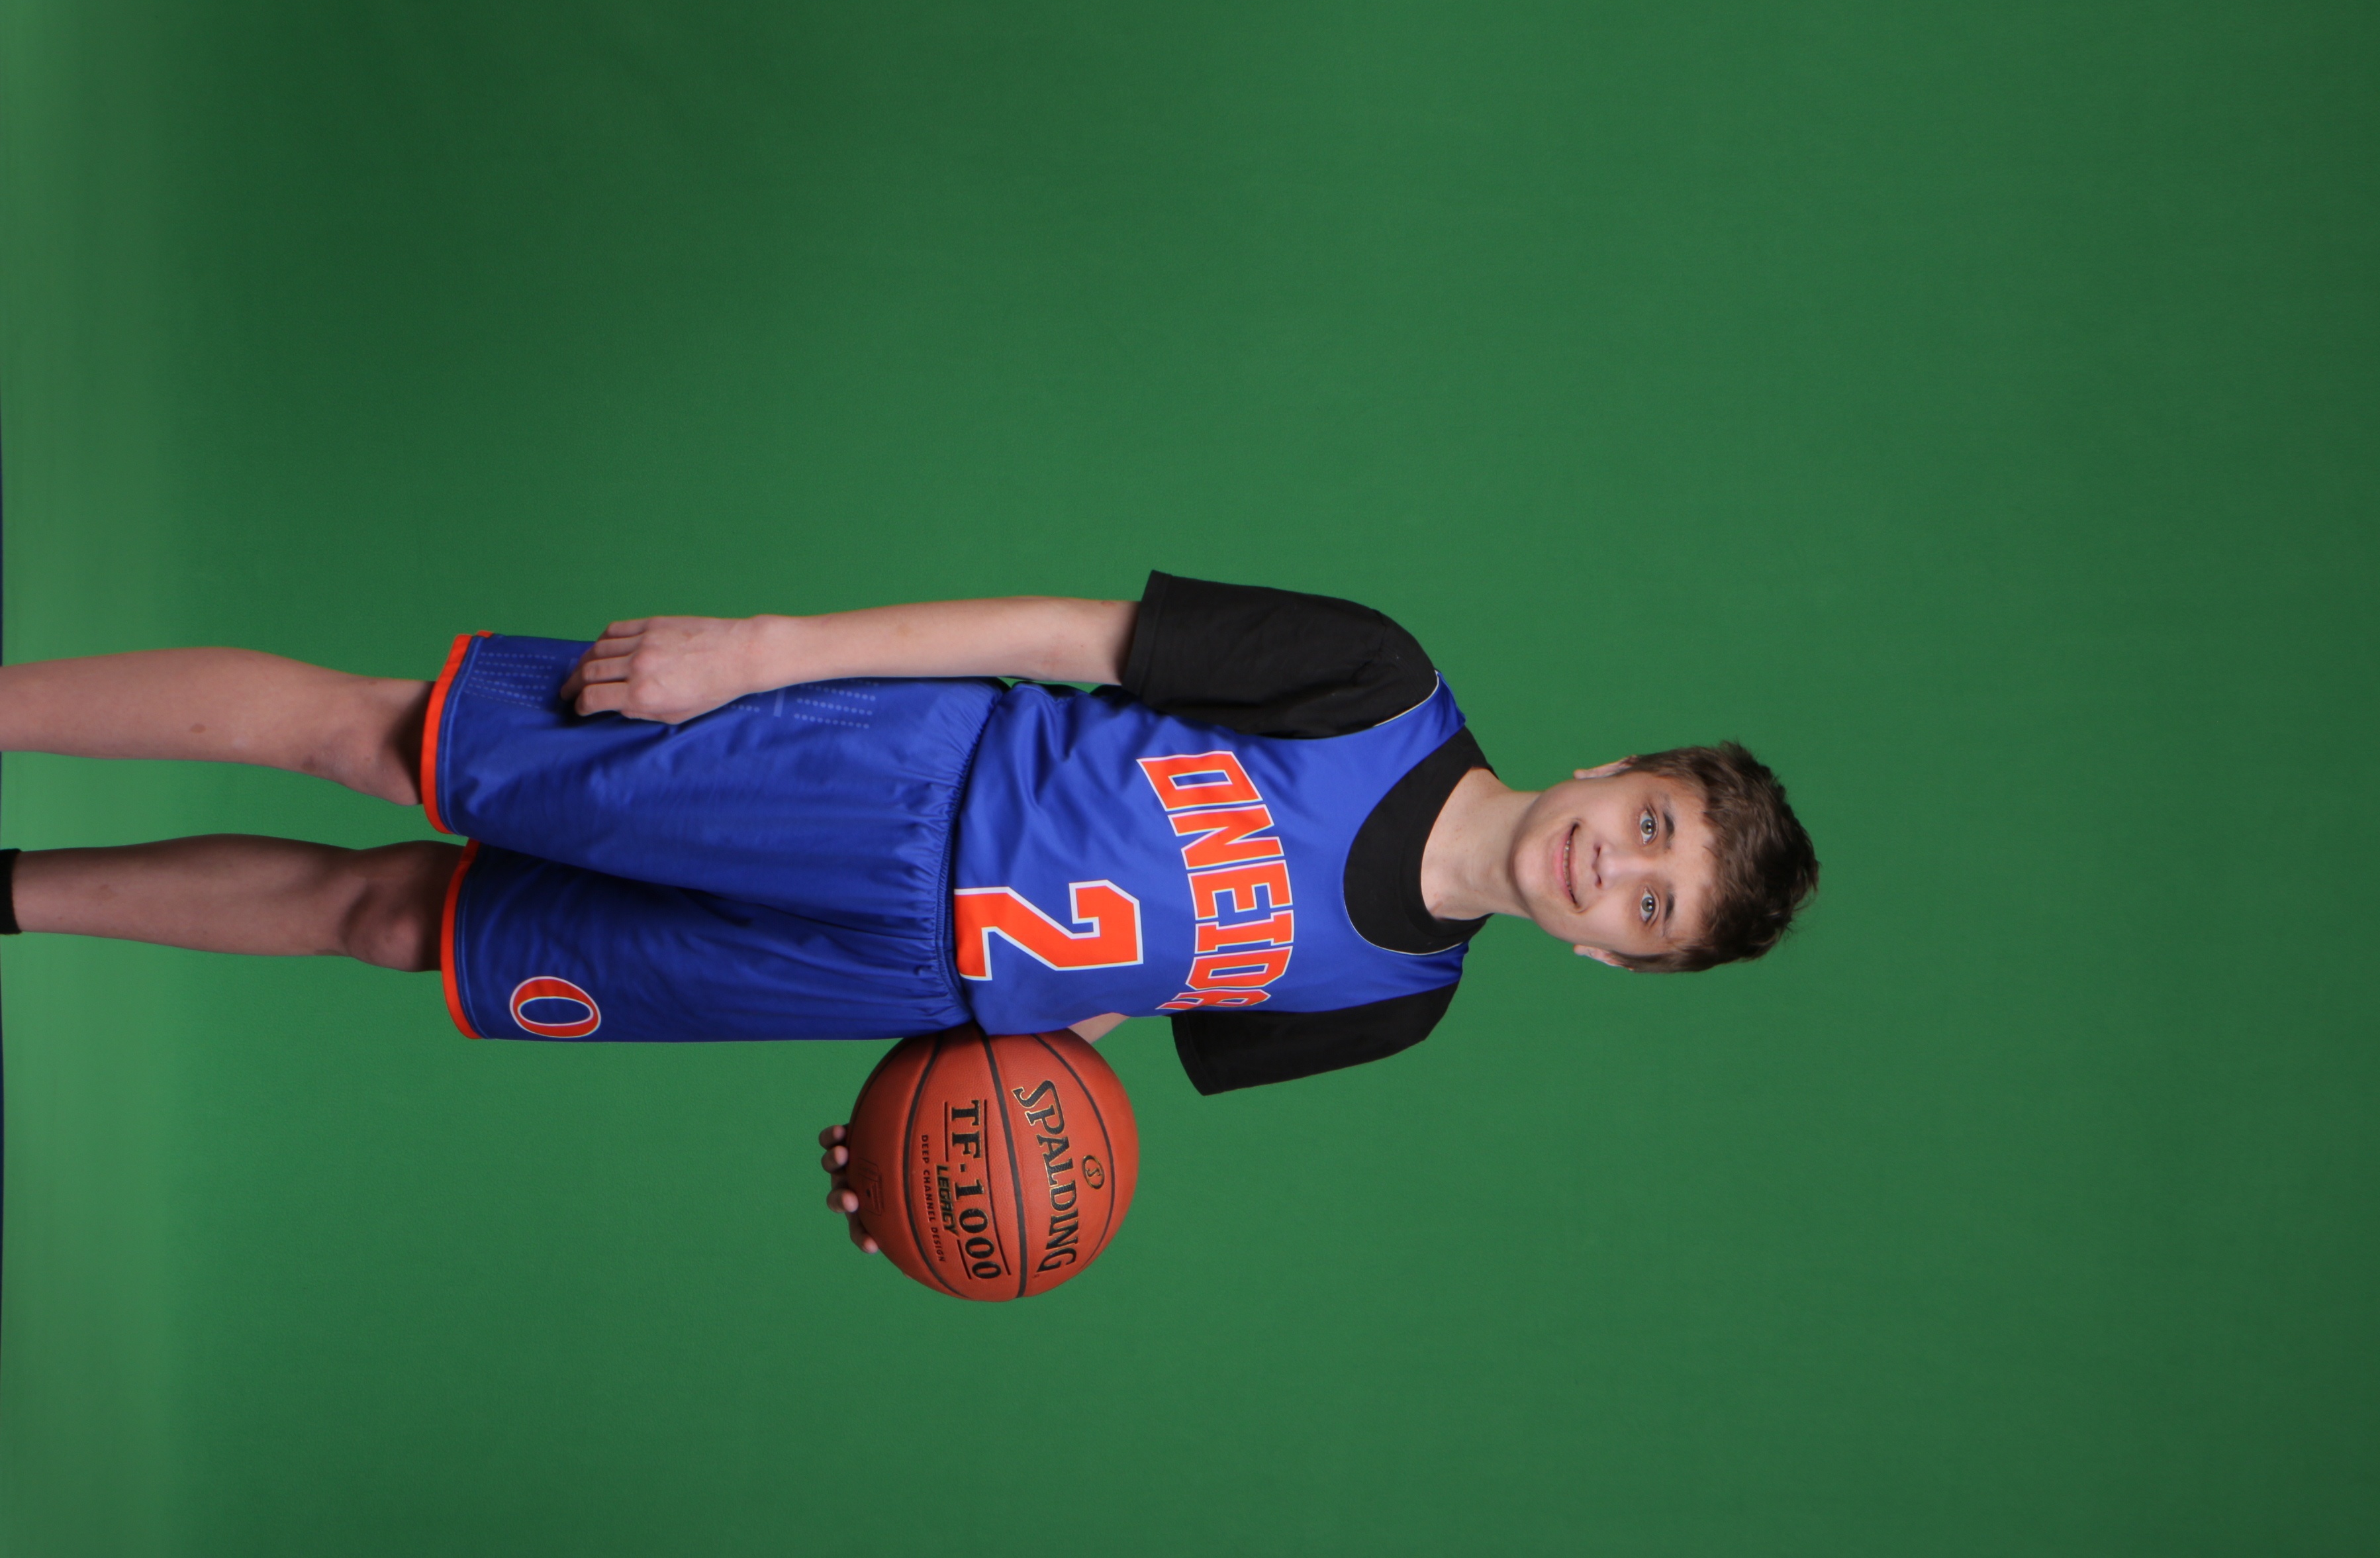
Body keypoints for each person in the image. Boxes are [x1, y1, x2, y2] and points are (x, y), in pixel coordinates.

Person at [0, 573, 1817, 1253]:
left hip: (877, 967)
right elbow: (1073, 635)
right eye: (1648, 825)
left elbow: (1097, 1019)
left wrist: (927, 1127)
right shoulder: (1377, 683)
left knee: (404, 925)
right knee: (383, 740)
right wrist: (764, 655)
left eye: (1651, 907)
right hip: (887, 775)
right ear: (1613, 768)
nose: (1619, 867)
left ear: (1613, 959)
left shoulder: (1391, 1003)